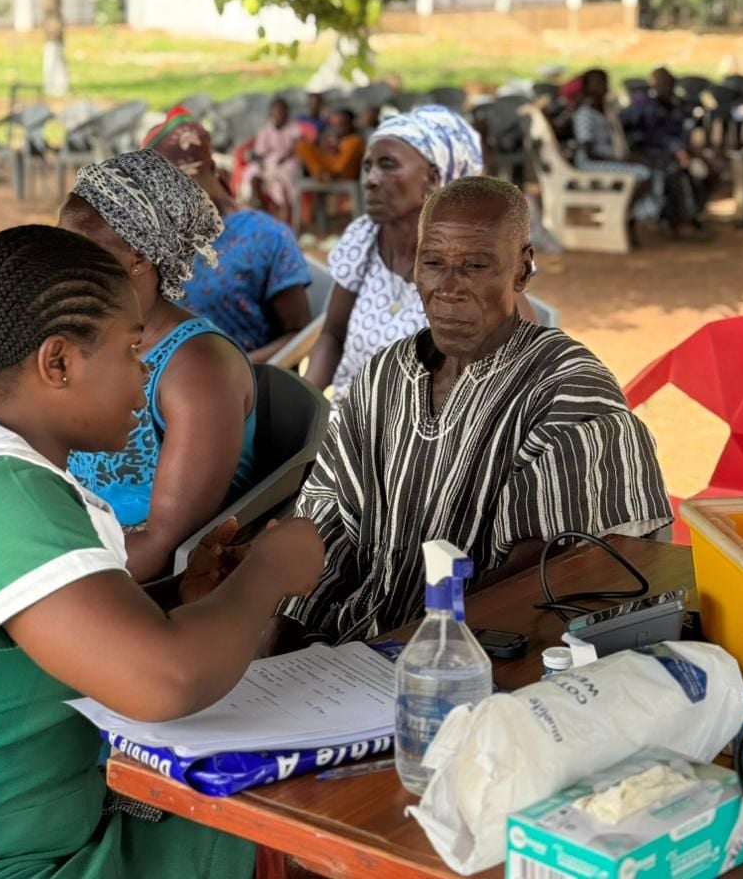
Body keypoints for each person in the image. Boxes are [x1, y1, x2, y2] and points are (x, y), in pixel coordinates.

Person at [0, 224, 324, 878]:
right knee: (316, 835)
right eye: (132, 351)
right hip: (14, 863)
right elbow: (165, 679)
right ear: (59, 362)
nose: (146, 372)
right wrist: (268, 572)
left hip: (50, 826)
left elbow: (76, 636)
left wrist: (185, 608)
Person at [270, 177, 672, 647]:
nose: (448, 289)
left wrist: (415, 655)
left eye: (476, 265)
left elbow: (544, 582)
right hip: (352, 650)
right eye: (433, 263)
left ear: (522, 271)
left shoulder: (568, 390)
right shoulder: (382, 377)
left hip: (481, 662)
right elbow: (327, 520)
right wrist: (281, 634)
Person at [60, 149, 257, 581]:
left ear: (140, 257)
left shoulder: (198, 367)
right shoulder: (85, 335)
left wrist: (42, 582)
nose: (61, 264)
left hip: (132, 585)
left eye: (81, 248)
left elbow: (163, 544)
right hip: (68, 547)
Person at [305, 105, 532, 410]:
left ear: (433, 179)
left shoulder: (480, 264)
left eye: (387, 165)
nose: (370, 180)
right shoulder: (364, 239)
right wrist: (303, 408)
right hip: (346, 420)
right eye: (368, 166)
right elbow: (333, 335)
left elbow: (528, 367)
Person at [144, 107, 312, 362]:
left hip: (248, 387)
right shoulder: (153, 243)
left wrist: (234, 372)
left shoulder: (266, 236)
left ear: (214, 171)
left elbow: (299, 335)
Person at [621, 67, 717, 235]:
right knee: (675, 171)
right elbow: (634, 133)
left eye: (670, 85)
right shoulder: (641, 106)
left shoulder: (675, 106)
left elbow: (683, 135)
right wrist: (677, 151)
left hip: (675, 154)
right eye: (662, 85)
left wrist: (693, 153)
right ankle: (679, 222)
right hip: (648, 154)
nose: (666, 89)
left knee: (712, 170)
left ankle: (693, 215)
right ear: (652, 86)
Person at [573, 68, 659, 231]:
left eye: (604, 83)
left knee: (646, 168)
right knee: (642, 174)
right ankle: (623, 216)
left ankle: (630, 215)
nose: (603, 87)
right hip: (591, 163)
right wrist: (622, 161)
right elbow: (589, 153)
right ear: (587, 88)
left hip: (607, 159)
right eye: (597, 84)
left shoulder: (606, 111)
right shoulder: (585, 114)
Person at [244, 97, 301, 223]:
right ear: (271, 114)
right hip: (268, 163)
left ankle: (283, 219)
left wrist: (283, 158)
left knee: (281, 180)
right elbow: (260, 153)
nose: (279, 114)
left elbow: (297, 149)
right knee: (253, 173)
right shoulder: (265, 131)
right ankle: (257, 206)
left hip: (287, 163)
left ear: (287, 113)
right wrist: (258, 160)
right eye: (276, 111)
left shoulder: (294, 130)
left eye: (282, 111)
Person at [296, 108, 366, 181]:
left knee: (354, 142)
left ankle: (331, 175)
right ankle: (321, 174)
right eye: (337, 123)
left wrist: (340, 145)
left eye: (343, 123)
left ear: (351, 124)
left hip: (343, 174)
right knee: (302, 146)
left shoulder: (356, 140)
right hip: (326, 171)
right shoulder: (329, 137)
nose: (339, 126)